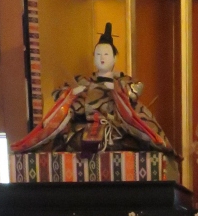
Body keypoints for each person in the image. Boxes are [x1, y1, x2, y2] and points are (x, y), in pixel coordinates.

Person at [12, 22, 177, 158]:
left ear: (115, 58)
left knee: (132, 137)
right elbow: (58, 95)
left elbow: (133, 93)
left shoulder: (122, 81)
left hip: (115, 126)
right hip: (85, 126)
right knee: (68, 140)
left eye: (106, 54)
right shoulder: (83, 82)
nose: (102, 58)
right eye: (98, 54)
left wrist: (116, 90)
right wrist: (73, 94)